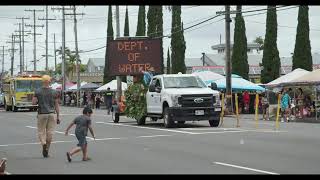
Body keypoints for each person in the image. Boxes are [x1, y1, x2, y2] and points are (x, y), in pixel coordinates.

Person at [32, 75, 60, 158]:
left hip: (42, 113)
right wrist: (58, 117)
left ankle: (43, 144)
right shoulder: (54, 92)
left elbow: (33, 102)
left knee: (41, 132)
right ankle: (47, 150)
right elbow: (57, 105)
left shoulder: (38, 91)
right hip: (52, 114)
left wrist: (38, 101)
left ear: (42, 81)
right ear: (49, 81)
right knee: (50, 133)